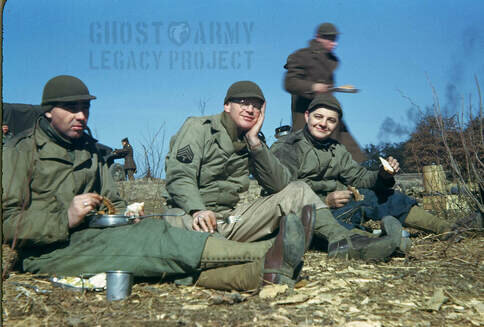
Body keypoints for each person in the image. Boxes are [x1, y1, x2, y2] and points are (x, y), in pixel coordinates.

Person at [2, 75, 313, 291]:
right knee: (157, 244)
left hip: (96, 237)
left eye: (85, 108)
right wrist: (64, 219)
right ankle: (266, 253)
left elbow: (116, 202)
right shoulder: (21, 151)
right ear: (47, 110)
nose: (81, 115)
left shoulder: (90, 149)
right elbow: (7, 222)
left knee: (169, 262)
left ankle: (264, 273)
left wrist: (127, 214)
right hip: (52, 250)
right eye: (71, 108)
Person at [164, 80, 403, 260]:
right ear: (227, 105)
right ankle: (253, 255)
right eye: (243, 103)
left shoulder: (251, 140)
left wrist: (256, 142)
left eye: (256, 106)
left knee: (298, 190)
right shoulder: (198, 128)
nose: (250, 109)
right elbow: (180, 176)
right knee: (193, 235)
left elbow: (281, 186)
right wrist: (197, 210)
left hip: (227, 219)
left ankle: (346, 243)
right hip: (189, 217)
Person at [270, 93, 481, 235]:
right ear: (307, 116)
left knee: (385, 197)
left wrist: (383, 175)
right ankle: (369, 242)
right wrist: (324, 200)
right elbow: (283, 193)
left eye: (331, 120)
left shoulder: (336, 149)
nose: (323, 124)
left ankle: (449, 229)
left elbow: (359, 178)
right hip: (306, 213)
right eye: (318, 117)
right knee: (333, 226)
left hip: (339, 206)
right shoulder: (287, 147)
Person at [284, 22, 366, 163]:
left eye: (335, 40)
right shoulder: (301, 56)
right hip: (306, 115)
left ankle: (362, 179)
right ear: (318, 37)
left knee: (349, 149)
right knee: (306, 155)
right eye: (330, 39)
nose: (334, 44)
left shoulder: (330, 61)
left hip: (329, 112)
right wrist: (314, 86)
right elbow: (290, 82)